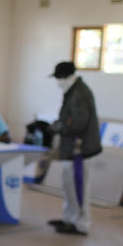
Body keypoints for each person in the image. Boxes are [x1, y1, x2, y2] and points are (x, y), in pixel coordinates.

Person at [47, 61, 102, 235]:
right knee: (68, 186)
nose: (57, 82)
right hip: (71, 149)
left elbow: (77, 123)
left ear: (65, 77)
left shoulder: (79, 93)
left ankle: (81, 224)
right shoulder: (72, 91)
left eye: (58, 78)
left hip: (79, 150)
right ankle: (69, 219)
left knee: (79, 188)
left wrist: (57, 126)